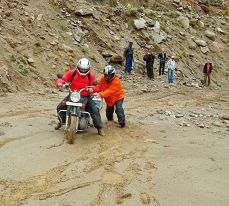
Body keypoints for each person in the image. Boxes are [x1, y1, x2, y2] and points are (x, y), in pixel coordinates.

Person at [55, 57, 105, 136]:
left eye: (85, 69)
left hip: (86, 97)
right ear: (78, 67)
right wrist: (60, 84)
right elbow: (63, 79)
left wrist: (92, 89)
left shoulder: (90, 76)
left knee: (94, 110)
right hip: (72, 95)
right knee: (60, 107)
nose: (83, 70)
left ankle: (99, 128)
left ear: (88, 68)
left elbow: (96, 86)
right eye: (81, 69)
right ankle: (61, 122)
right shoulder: (72, 73)